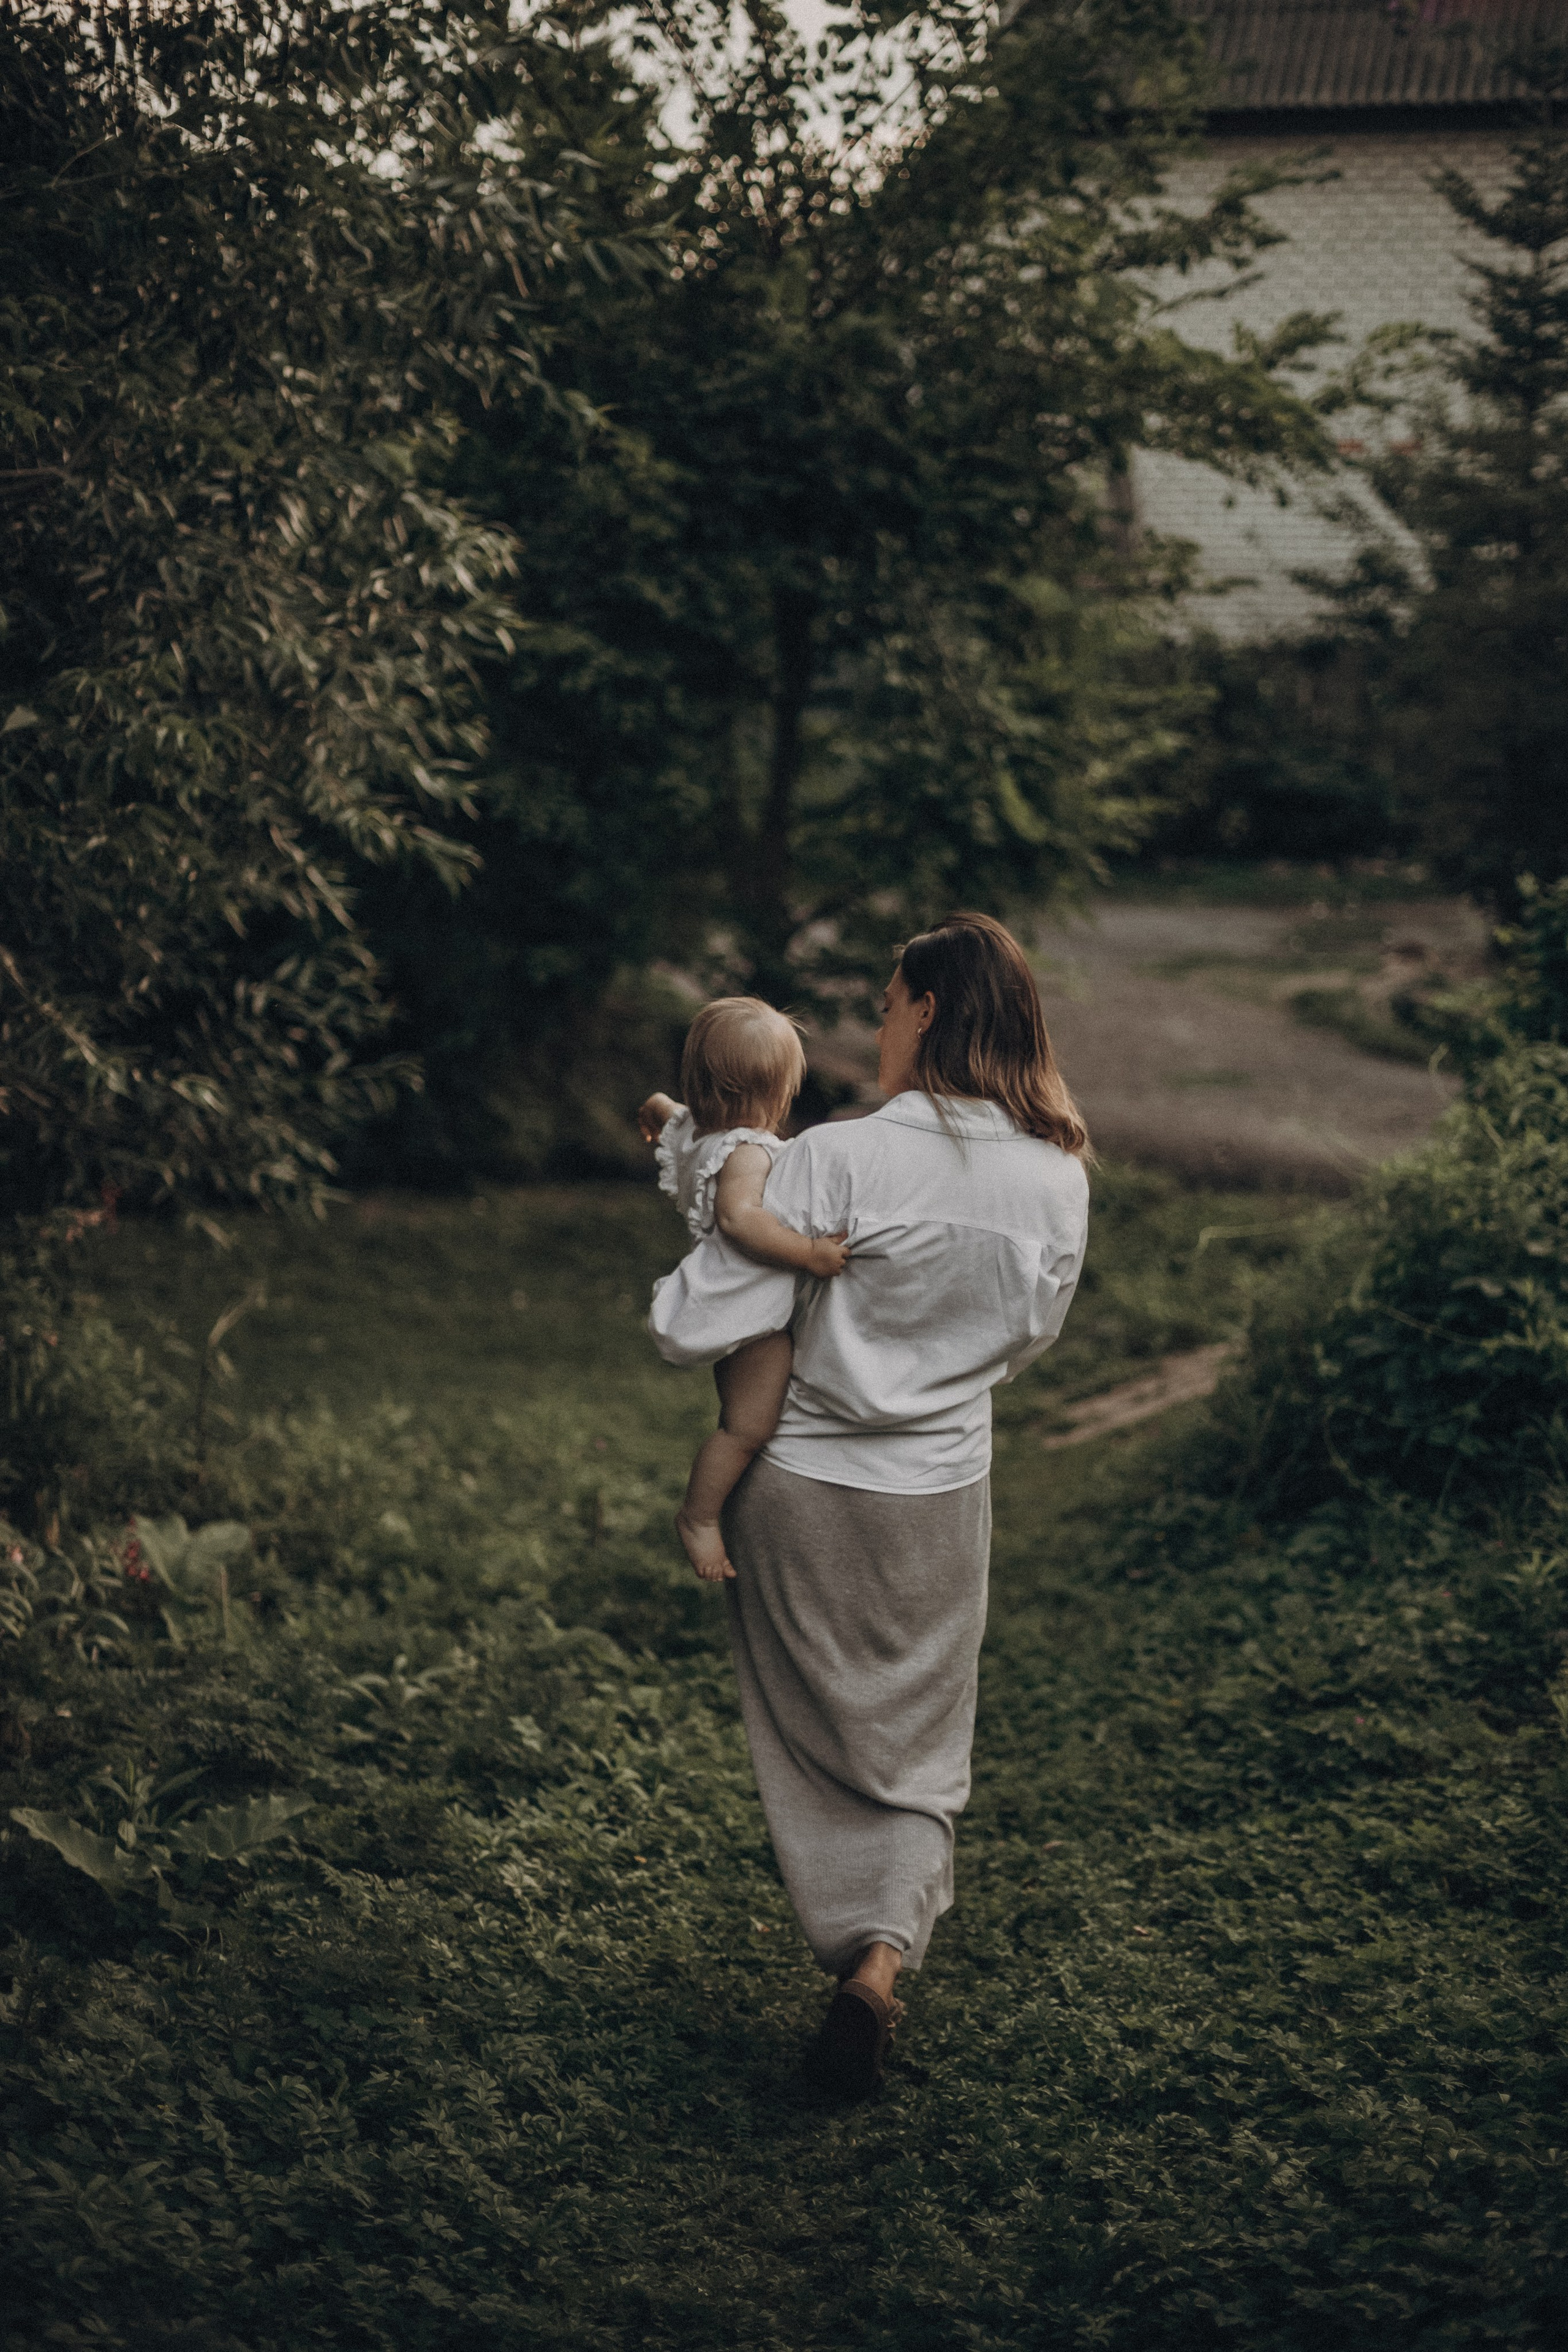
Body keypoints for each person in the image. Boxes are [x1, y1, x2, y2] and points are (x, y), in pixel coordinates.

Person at [646, 916, 1091, 2097]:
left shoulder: (833, 1157)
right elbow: (1027, 1343)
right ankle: (879, 1968)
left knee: (819, 1743)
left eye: (890, 1005)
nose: (882, 1027)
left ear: (930, 1010)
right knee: (920, 1746)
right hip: (939, 1494)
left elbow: (709, 1314)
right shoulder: (1059, 1178)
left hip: (795, 1487)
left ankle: (849, 1938)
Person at [638, 997, 851, 1583]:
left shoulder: (697, 1135)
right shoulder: (749, 1152)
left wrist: (656, 1108)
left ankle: (703, 1513)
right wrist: (809, 1253)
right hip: (749, 1316)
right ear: (778, 1090)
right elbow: (739, 1219)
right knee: (746, 1429)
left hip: (723, 1299)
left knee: (742, 1417)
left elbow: (671, 1115)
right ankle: (699, 1516)